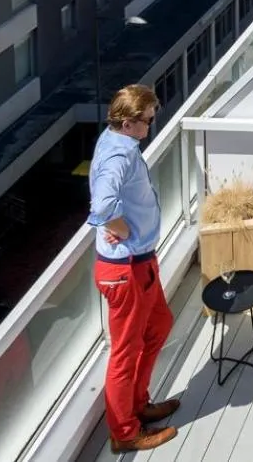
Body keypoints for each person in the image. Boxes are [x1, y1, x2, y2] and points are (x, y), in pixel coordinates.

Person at [87, 85, 179, 453]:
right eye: (147, 121)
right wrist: (121, 227)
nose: (151, 126)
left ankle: (139, 404)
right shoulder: (120, 157)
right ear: (128, 123)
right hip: (125, 269)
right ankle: (124, 432)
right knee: (124, 353)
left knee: (159, 325)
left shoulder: (116, 142)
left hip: (139, 262)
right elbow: (104, 204)